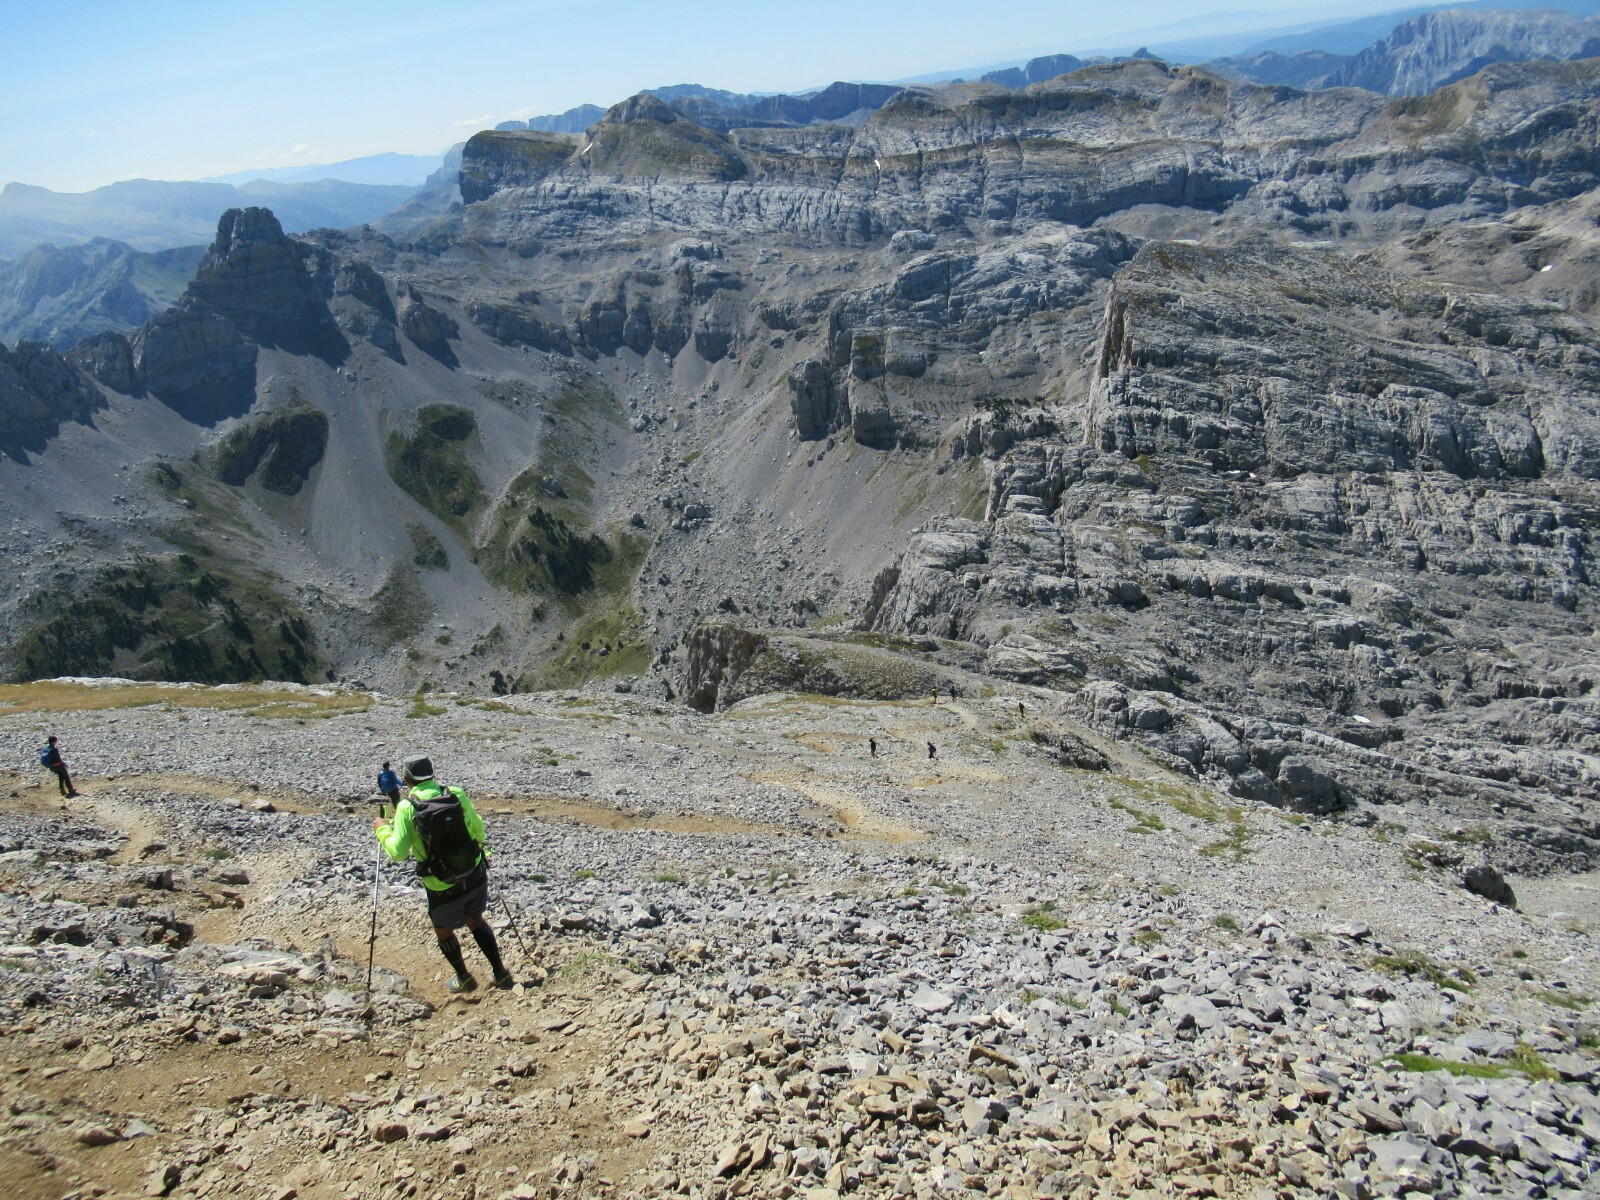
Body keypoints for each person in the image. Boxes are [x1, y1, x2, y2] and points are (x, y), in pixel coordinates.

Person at [372, 755, 511, 994]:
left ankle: (464, 978)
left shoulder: (407, 808)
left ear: (406, 780)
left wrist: (382, 829)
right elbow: (478, 829)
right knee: (475, 919)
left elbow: (398, 852)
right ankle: (500, 972)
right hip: (472, 871)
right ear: (433, 774)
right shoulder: (455, 793)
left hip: (439, 883)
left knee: (443, 928)